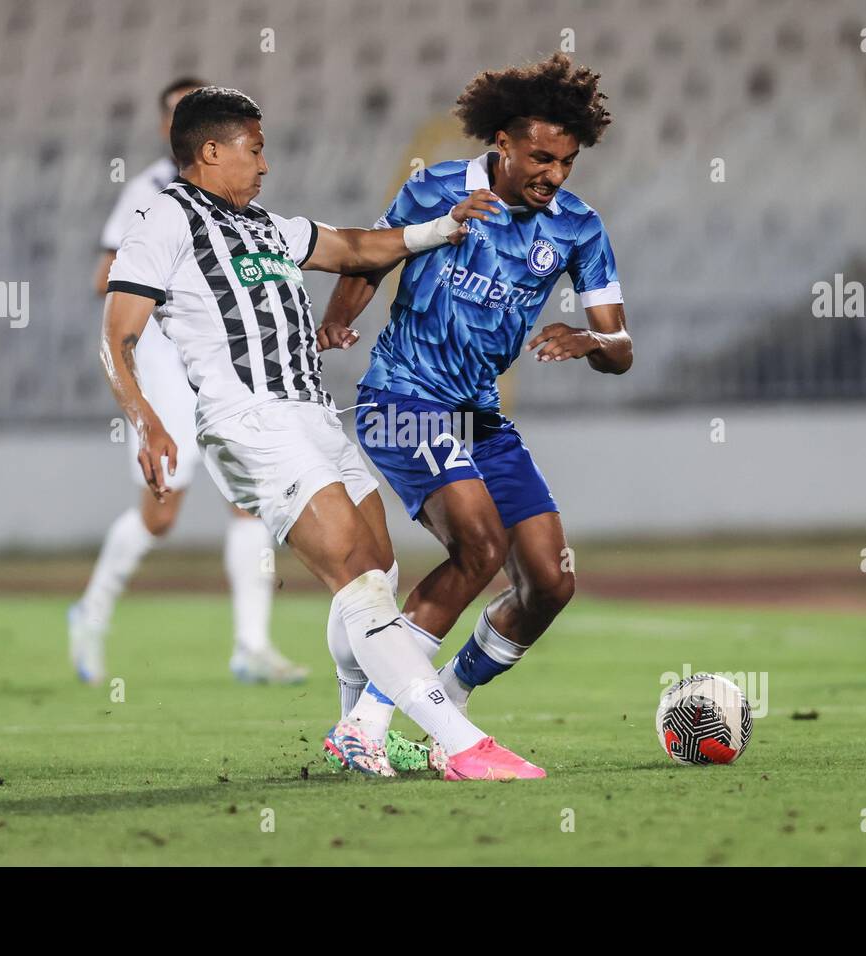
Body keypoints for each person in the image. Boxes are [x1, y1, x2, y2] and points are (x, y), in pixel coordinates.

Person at [100, 85, 545, 780]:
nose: (265, 163)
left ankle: (356, 735)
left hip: (311, 412)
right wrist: (146, 420)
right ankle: (461, 742)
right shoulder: (163, 220)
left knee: (380, 569)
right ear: (211, 150)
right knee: (360, 577)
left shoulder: (264, 226)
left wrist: (443, 226)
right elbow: (117, 335)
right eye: (255, 148)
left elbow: (358, 247)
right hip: (249, 421)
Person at [316, 54, 630, 769]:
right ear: (503, 145)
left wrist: (591, 340)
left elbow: (622, 344)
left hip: (477, 417)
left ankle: (448, 702)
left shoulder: (578, 228)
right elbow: (371, 260)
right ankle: (365, 723)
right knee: (480, 546)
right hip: (402, 399)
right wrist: (336, 323)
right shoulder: (434, 189)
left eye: (567, 162)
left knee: (550, 581)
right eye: (541, 157)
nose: (554, 173)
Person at [70, 77, 307, 686]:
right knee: (162, 512)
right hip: (167, 371)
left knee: (247, 504)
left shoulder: (239, 207)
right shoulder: (150, 196)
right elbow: (106, 278)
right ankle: (91, 613)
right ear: (170, 133)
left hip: (227, 369)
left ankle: (251, 644)